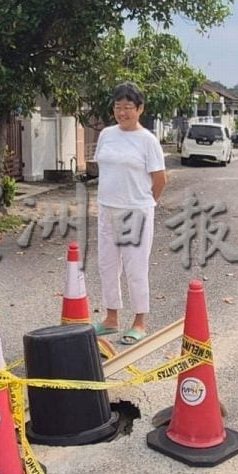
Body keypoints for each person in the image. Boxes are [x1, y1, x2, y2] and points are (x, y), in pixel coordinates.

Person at [93, 82, 167, 345]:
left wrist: (146, 202)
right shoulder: (107, 135)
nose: (122, 112)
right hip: (107, 209)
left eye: (128, 107)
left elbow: (159, 179)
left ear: (140, 109)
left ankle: (139, 321)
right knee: (107, 265)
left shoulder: (147, 141)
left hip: (136, 212)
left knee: (136, 268)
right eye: (118, 107)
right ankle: (111, 317)